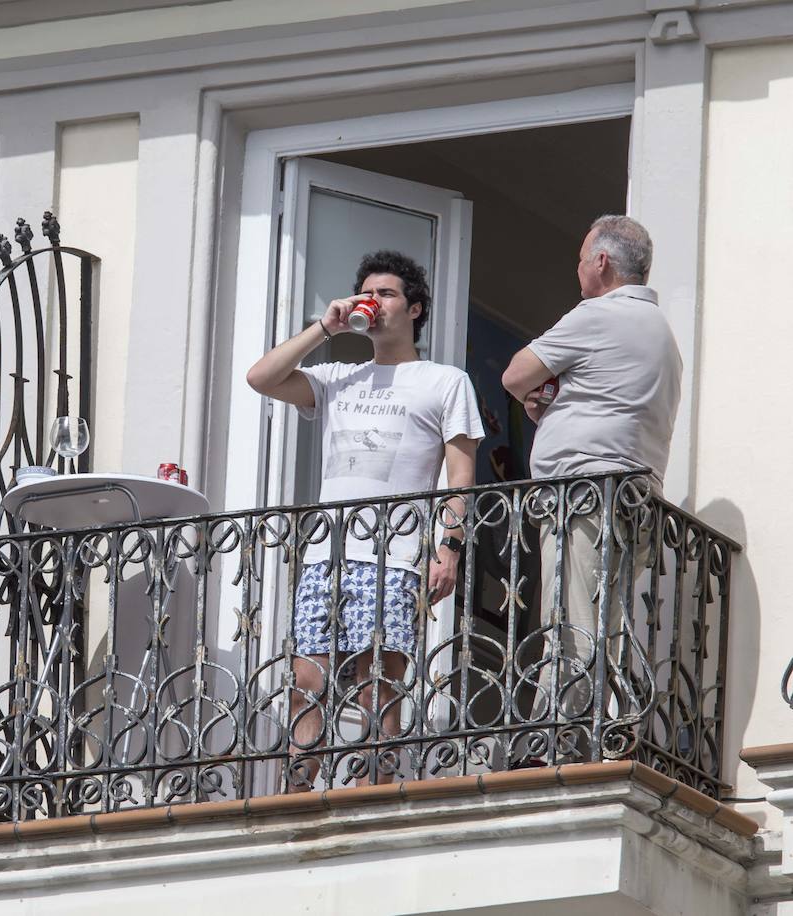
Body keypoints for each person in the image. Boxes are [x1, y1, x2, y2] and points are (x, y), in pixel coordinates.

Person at [247, 250, 483, 789]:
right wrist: (323, 328)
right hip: (325, 554)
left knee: (381, 680)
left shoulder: (444, 381)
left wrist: (448, 549)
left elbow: (460, 475)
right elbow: (260, 378)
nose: (373, 304)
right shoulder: (336, 377)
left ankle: (375, 790)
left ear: (415, 309)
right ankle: (299, 788)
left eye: (387, 295)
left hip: (395, 556)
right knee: (308, 678)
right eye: (367, 294)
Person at [502, 215, 681, 728]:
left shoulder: (596, 316)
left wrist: (536, 401)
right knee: (609, 618)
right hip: (634, 494)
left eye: (582, 258)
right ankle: (611, 728)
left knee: (571, 614)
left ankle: (558, 733)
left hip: (584, 493)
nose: (578, 269)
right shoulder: (662, 334)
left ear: (601, 262)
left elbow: (516, 374)